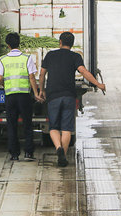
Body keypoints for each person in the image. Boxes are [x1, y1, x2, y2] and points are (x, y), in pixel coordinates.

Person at [39, 32, 106, 167]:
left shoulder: (50, 55)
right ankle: (62, 155)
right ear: (72, 44)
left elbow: (42, 74)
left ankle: (58, 148)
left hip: (53, 95)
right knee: (67, 128)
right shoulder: (75, 56)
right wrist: (98, 84)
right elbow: (84, 72)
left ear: (60, 42)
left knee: (53, 127)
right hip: (69, 95)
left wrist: (41, 90)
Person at [0, 32, 42, 161]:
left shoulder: (3, 59)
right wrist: (35, 93)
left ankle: (14, 154)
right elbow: (32, 77)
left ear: (8, 45)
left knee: (11, 125)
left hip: (10, 96)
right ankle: (28, 152)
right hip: (24, 96)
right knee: (27, 124)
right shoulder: (27, 58)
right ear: (19, 43)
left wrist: (5, 85)